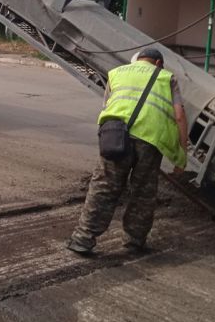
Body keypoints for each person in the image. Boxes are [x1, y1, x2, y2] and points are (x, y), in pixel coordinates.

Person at [67, 47, 188, 255]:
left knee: (103, 187)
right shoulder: (167, 78)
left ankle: (83, 239)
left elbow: (107, 107)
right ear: (158, 63)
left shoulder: (117, 73)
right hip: (149, 141)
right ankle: (134, 242)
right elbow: (179, 116)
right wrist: (181, 156)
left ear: (137, 61)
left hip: (116, 135)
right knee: (143, 192)